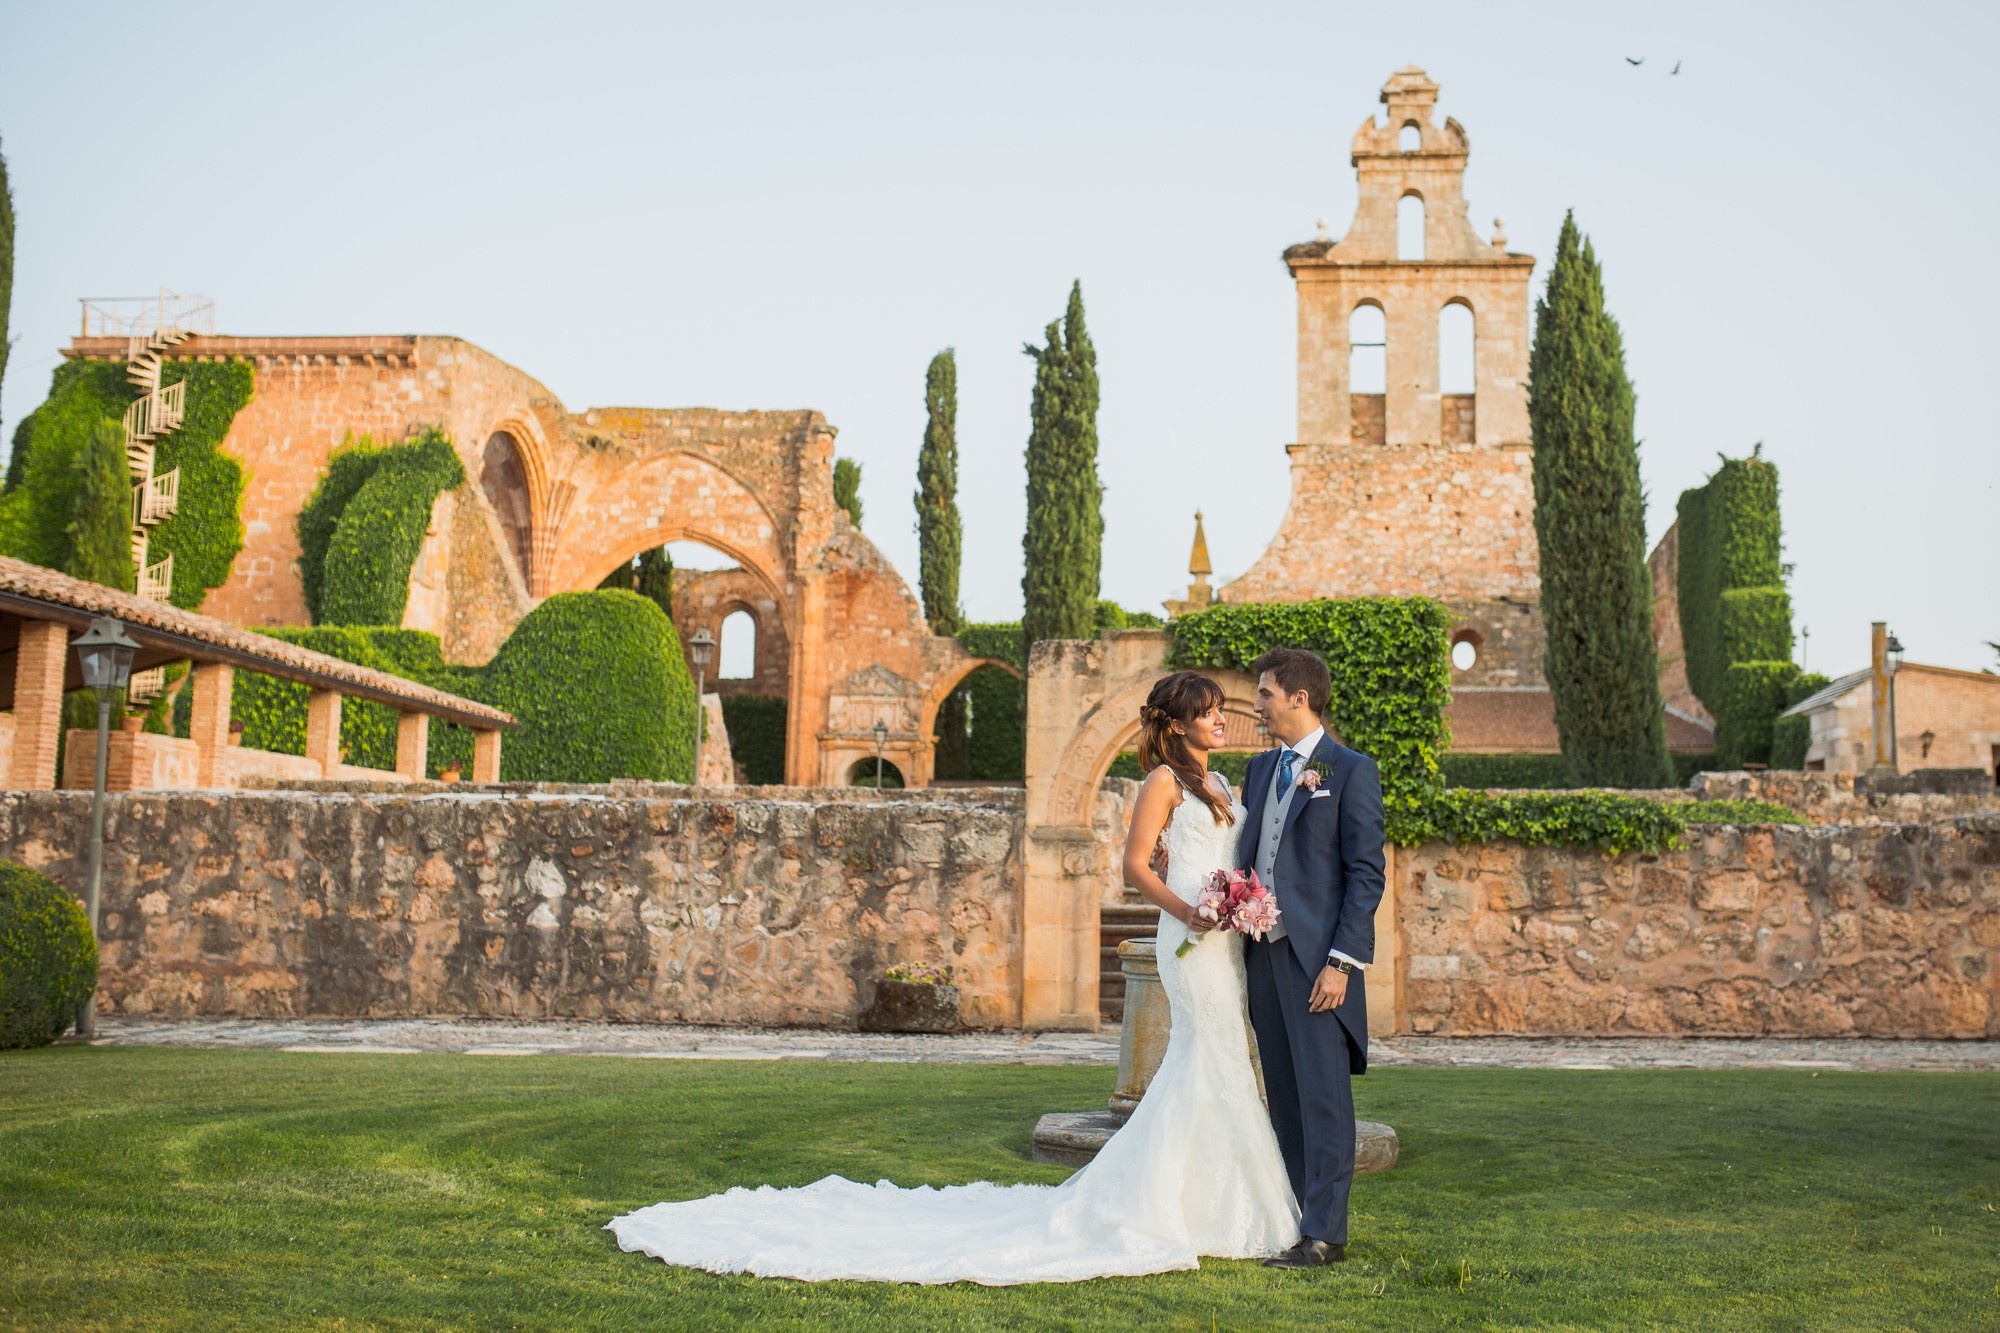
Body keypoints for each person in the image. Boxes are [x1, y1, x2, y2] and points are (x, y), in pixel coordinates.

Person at [605, 669, 1298, 1283]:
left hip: (1222, 939)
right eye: (1208, 710)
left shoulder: (1219, 782)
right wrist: (1190, 909)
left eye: (1220, 709)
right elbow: (1134, 866)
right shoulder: (1162, 781)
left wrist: (1238, 900)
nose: (1220, 719)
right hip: (1189, 933)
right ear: (1176, 724)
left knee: (1218, 1058)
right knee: (1207, 1055)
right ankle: (1181, 1208)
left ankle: (1210, 1201)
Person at [1238, 647, 1386, 1269]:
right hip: (1263, 954)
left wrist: (1342, 962)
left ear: (1299, 698)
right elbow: (1248, 851)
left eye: (1265, 693)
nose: (1257, 705)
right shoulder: (1256, 770)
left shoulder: (1349, 770)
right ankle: (1296, 1218)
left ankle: (1326, 1234)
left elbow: (1366, 874)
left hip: (1320, 962)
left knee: (1324, 1098)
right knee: (1284, 1094)